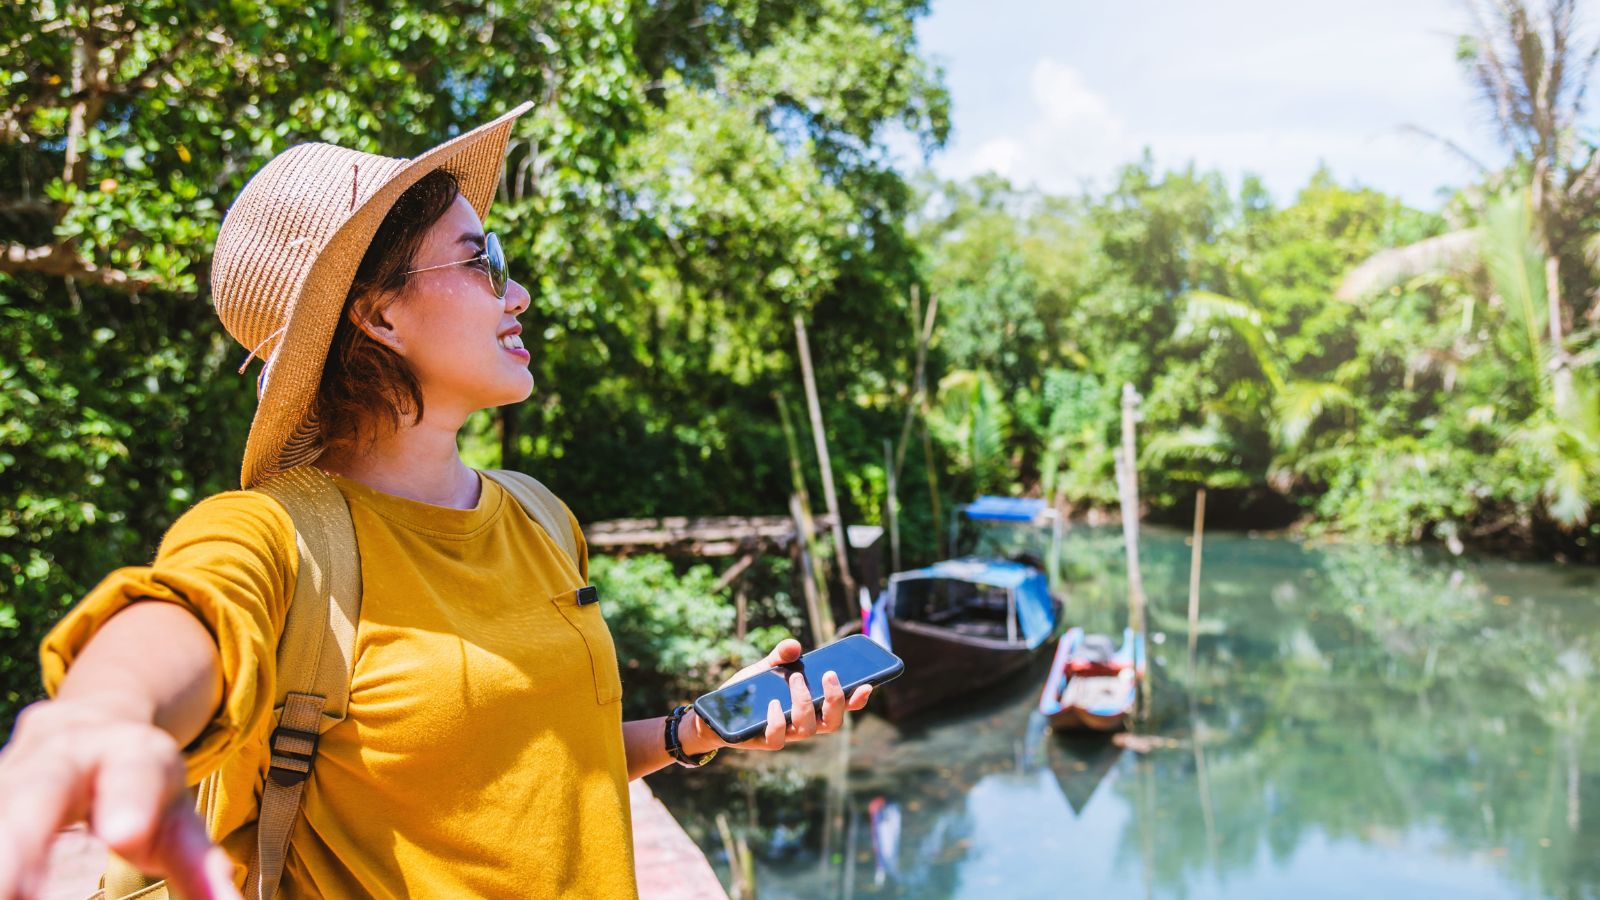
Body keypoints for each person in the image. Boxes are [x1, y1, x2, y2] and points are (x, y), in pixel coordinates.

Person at [0, 102, 870, 900]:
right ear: (376, 315)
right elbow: (184, 608)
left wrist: (696, 729)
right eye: (479, 259)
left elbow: (542, 760)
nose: (517, 291)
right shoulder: (279, 533)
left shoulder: (540, 516)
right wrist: (102, 713)